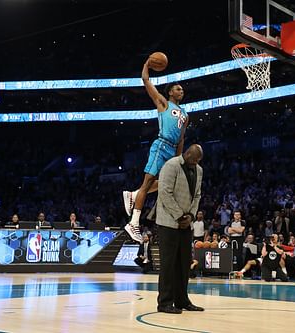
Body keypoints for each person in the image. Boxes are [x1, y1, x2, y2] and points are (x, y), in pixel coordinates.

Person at [122, 58, 188, 243]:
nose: (181, 90)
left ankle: (133, 195)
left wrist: (179, 159)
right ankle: (133, 223)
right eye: (177, 88)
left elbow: (181, 138)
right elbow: (146, 80)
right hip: (161, 145)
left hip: (172, 151)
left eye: (182, 89)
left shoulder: (185, 115)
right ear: (170, 92)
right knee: (148, 182)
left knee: (166, 183)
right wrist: (146, 65)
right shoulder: (163, 103)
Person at [156, 144, 204, 314]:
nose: (196, 163)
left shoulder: (198, 170)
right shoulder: (171, 165)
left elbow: (197, 195)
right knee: (168, 264)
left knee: (184, 264)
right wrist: (179, 216)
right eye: (194, 159)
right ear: (188, 154)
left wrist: (191, 216)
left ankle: (182, 300)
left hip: (186, 223)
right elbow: (164, 192)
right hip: (168, 221)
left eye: (199, 160)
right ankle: (164, 303)